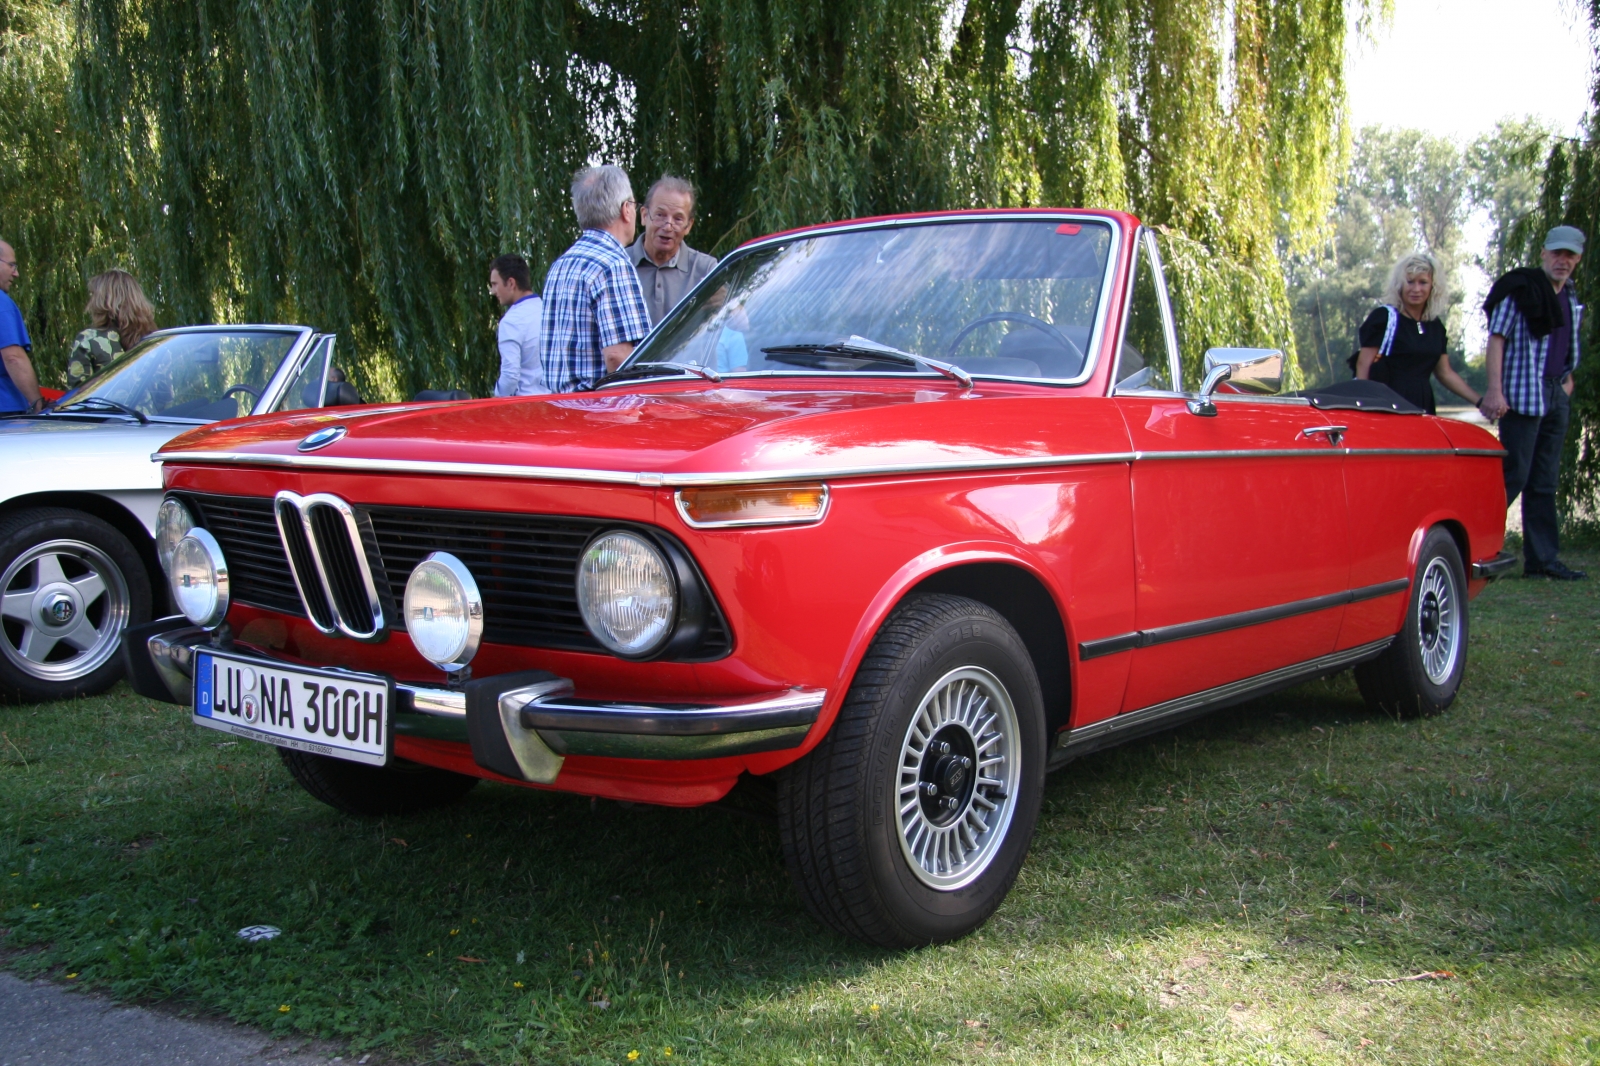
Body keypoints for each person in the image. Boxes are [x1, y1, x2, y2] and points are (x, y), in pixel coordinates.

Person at [1480, 225, 1586, 580]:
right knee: (1515, 474)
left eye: (1570, 255)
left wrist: (1566, 382)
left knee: (1544, 480)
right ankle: (1477, 549)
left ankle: (1542, 561)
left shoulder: (1570, 296)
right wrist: (1494, 390)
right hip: (1523, 394)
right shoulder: (1522, 290)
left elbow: (1566, 344)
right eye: (1557, 253)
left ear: (1578, 258)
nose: (1563, 260)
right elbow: (1497, 338)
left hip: (1556, 393)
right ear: (1543, 253)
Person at [540, 165, 652, 392]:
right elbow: (618, 357)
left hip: (561, 410)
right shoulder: (613, 264)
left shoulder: (560, 265)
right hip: (601, 413)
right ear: (626, 210)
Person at [1353, 252, 1481, 414]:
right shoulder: (1384, 318)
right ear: (1400, 284)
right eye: (1410, 282)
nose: (1416, 289)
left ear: (1433, 286)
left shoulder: (1435, 326)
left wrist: (1480, 402)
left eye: (1423, 282)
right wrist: (1360, 407)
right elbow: (1363, 364)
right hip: (1386, 405)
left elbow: (1445, 373)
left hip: (1422, 404)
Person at [627, 175, 718, 326]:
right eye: (660, 215)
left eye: (678, 219)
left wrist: (731, 308)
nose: (668, 226)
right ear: (644, 216)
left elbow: (741, 324)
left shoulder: (706, 270)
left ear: (688, 226)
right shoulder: (618, 264)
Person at [66, 270, 158, 388]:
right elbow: (166, 396)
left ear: (102, 301)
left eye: (93, 295)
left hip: (108, 407)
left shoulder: (89, 339)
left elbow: (77, 397)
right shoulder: (155, 342)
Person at [488, 253, 545, 396]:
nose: (493, 291)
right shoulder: (548, 310)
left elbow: (510, 376)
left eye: (495, 284)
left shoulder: (511, 322)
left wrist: (497, 402)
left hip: (526, 408)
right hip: (556, 403)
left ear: (511, 283)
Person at [0, 238, 42, 413]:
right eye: (12, 265)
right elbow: (13, 358)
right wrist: (37, 405)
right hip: (6, 411)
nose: (16, 273)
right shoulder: (2, 304)